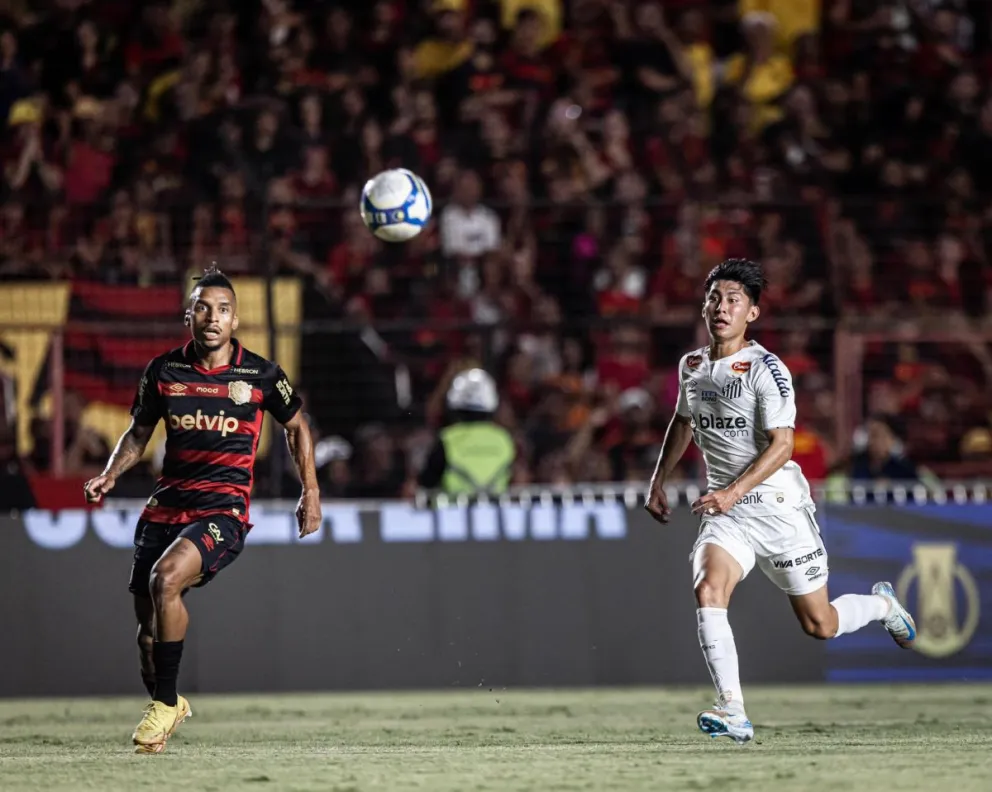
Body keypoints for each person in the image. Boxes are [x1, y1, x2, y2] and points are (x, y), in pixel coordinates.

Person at [644, 258, 915, 745]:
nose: (721, 307)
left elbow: (783, 445)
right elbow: (683, 421)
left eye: (733, 300)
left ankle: (880, 605)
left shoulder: (766, 368)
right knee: (708, 589)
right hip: (728, 515)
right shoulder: (691, 366)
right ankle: (733, 711)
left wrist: (731, 490)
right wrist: (658, 480)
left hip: (778, 508)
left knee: (821, 624)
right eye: (715, 298)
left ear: (752, 313)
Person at [82, 267, 321, 754]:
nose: (213, 317)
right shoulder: (163, 372)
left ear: (236, 320)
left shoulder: (261, 375)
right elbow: (138, 433)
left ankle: (167, 703)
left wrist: (310, 492)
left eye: (224, 309)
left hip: (223, 509)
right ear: (188, 315)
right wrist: (111, 473)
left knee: (166, 579)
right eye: (204, 308)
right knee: (147, 635)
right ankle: (167, 702)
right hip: (166, 505)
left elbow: (297, 427)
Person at [417, 368, 516, 495]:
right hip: (494, 511)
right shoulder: (504, 439)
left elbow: (427, 483)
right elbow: (516, 479)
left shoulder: (448, 439)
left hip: (452, 512)